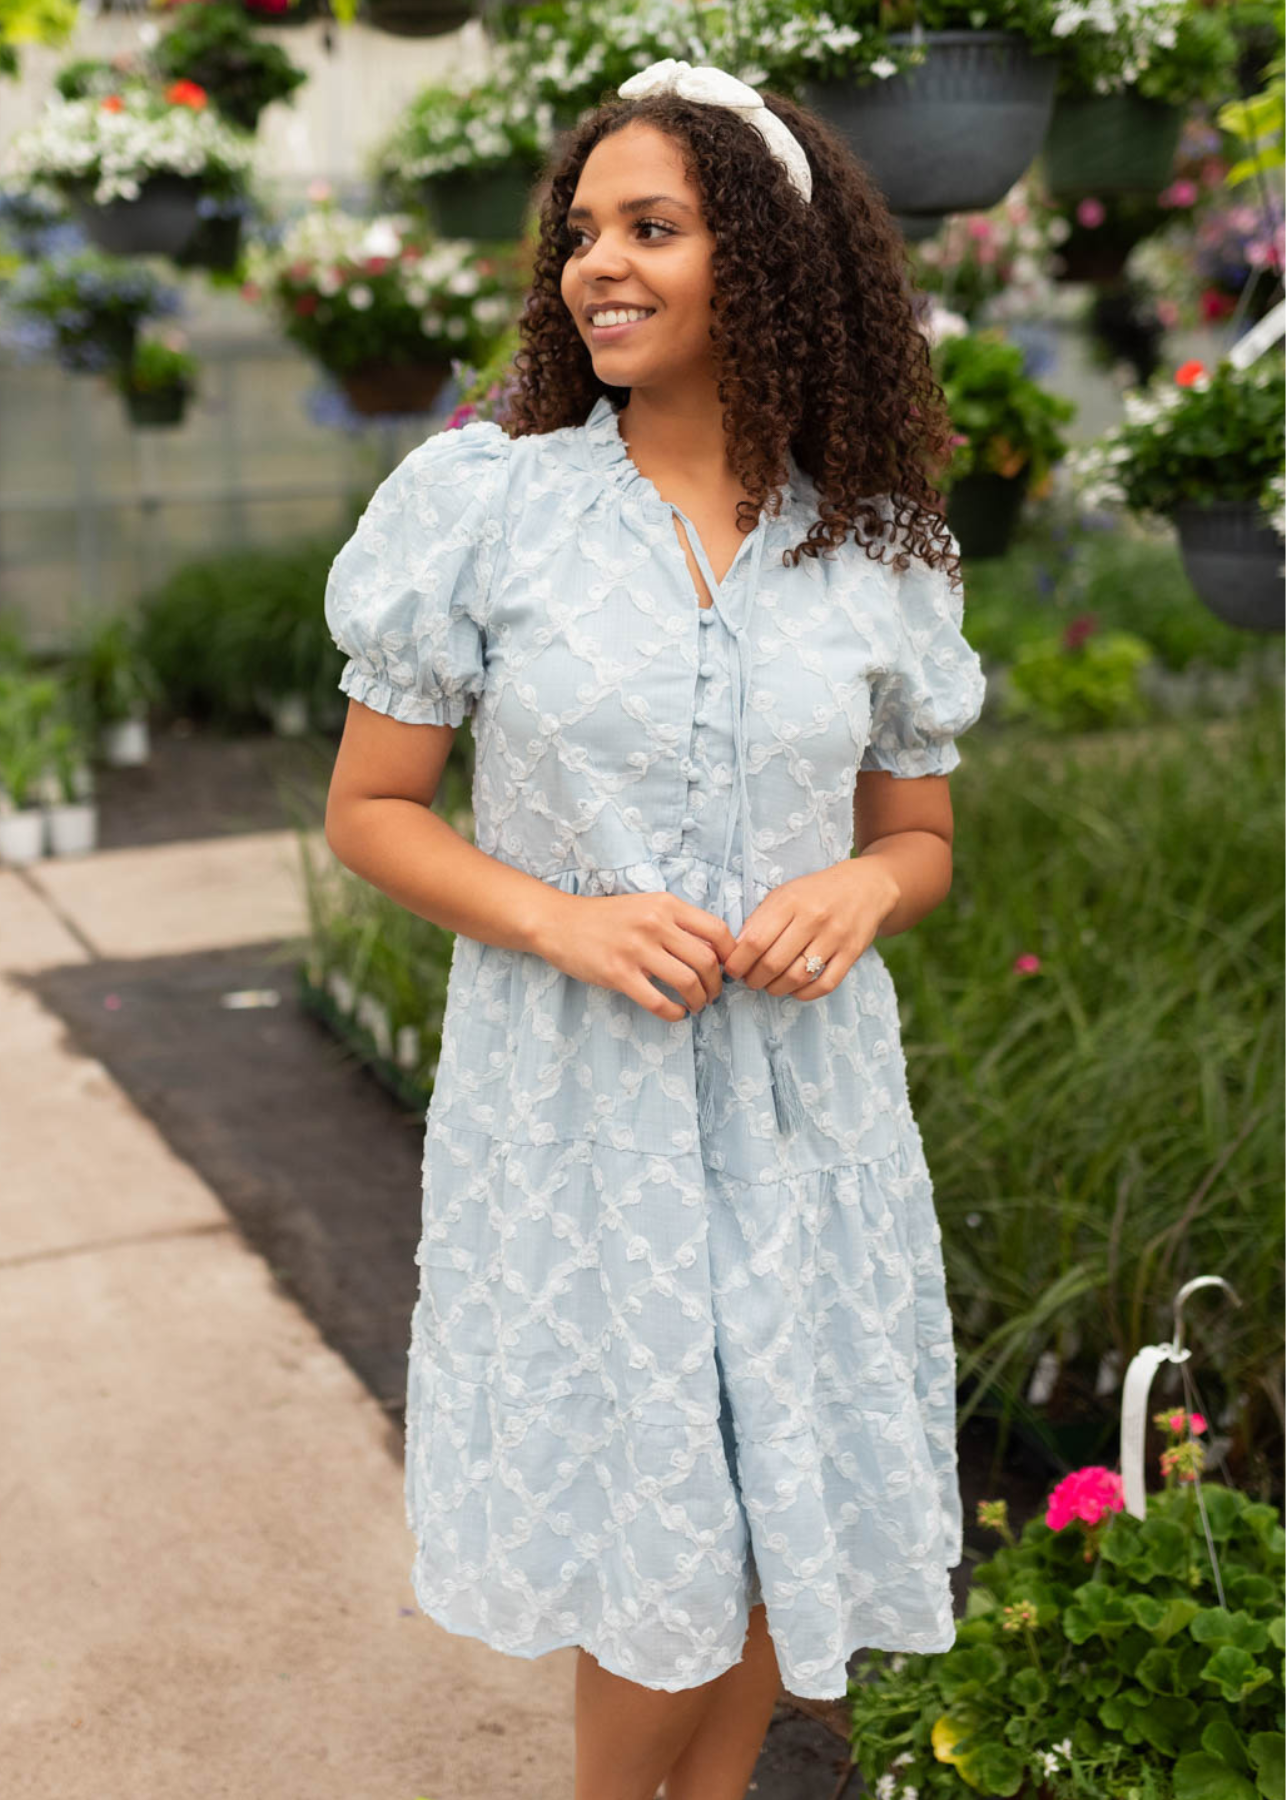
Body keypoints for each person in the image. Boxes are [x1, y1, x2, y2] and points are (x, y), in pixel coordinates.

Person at [323, 56, 987, 1800]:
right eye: (580, 232)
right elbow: (369, 813)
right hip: (577, 1096)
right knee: (651, 1502)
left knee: (784, 1491)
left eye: (652, 227)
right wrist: (562, 917)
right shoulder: (490, 510)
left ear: (764, 260)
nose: (594, 266)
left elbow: (915, 838)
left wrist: (863, 887)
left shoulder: (879, 550)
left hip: (804, 1100)